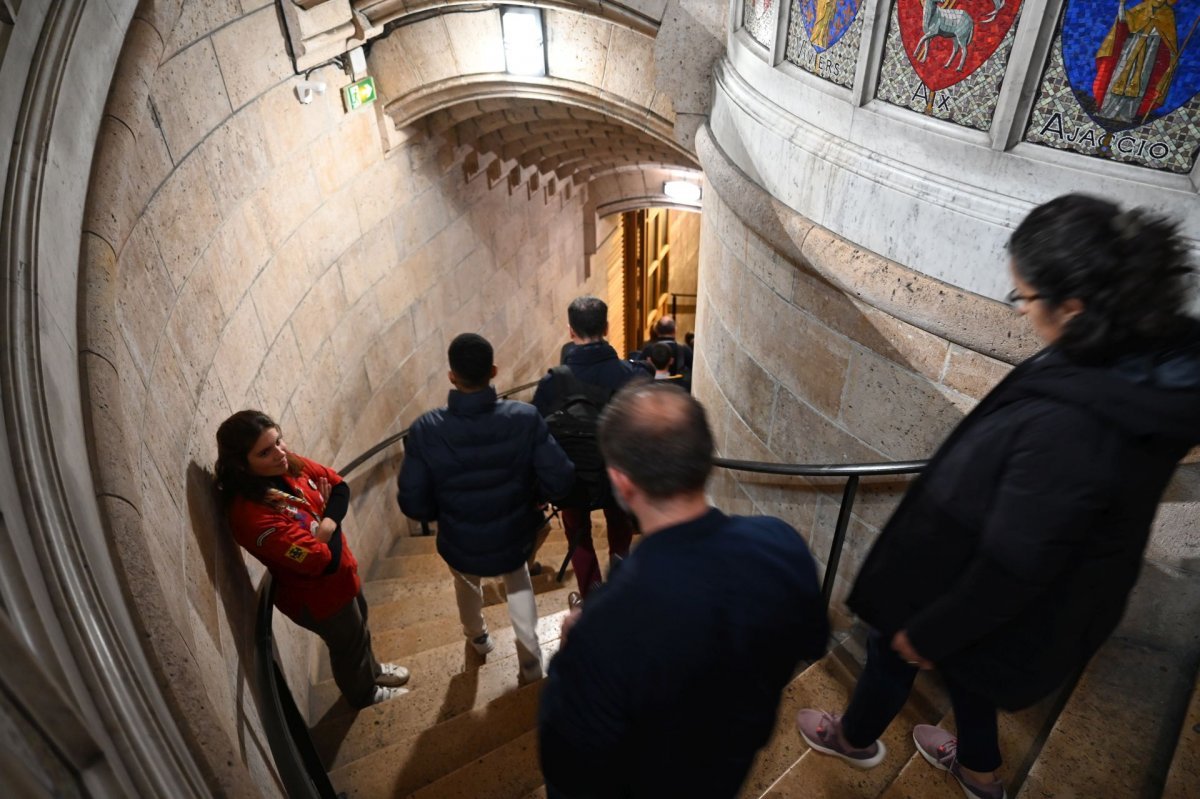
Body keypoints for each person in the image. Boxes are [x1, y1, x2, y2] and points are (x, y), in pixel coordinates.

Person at [796, 194, 1200, 799]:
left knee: (896, 648)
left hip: (969, 578)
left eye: (1025, 297)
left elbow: (1017, 564)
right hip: (1000, 583)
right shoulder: (1129, 349)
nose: (1021, 311)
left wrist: (929, 633)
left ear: (1074, 305)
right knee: (974, 663)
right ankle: (981, 771)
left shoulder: (1078, 428)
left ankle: (853, 741)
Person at [539, 383, 829, 798]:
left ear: (622, 482)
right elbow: (812, 640)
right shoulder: (782, 543)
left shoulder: (606, 624)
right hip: (731, 763)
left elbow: (567, 767)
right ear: (705, 459)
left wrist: (572, 652)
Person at [397, 333, 574, 684]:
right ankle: (530, 662)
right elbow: (562, 477)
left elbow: (413, 502)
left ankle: (477, 639)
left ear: (451, 376)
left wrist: (447, 511)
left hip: (460, 538)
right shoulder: (524, 418)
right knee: (519, 584)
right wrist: (537, 496)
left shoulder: (426, 430)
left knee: (466, 583)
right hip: (513, 535)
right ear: (493, 370)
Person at [216, 411, 410, 709]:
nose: (280, 453)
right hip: (319, 597)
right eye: (265, 452)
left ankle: (371, 671)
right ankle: (364, 694)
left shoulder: (285, 464)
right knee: (347, 645)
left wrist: (326, 526)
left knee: (360, 627)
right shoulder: (253, 517)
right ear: (242, 464)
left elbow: (340, 486)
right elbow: (320, 561)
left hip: (343, 574)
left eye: (278, 441)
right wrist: (328, 517)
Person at [532, 296, 642, 598]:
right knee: (619, 527)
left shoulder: (552, 382)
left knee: (577, 533)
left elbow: (539, 435)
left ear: (570, 331)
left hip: (571, 477)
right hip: (618, 474)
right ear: (606, 327)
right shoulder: (633, 376)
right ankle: (622, 590)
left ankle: (591, 594)